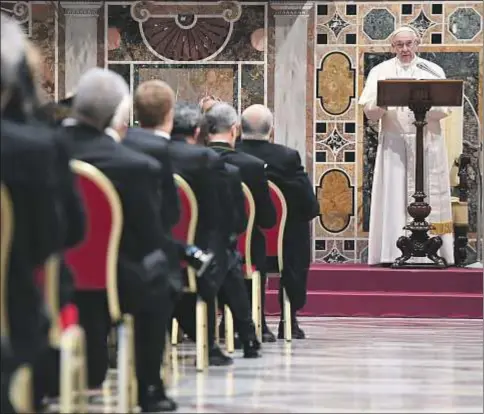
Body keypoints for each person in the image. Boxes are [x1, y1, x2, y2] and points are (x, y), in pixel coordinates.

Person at [61, 68, 178, 412]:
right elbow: (149, 237)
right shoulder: (135, 166)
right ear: (118, 115)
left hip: (43, 278)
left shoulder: (39, 152)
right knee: (159, 272)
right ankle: (149, 388)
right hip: (111, 282)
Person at [358, 25, 454, 266]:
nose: (404, 49)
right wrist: (384, 102)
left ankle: (436, 252)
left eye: (409, 43)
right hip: (394, 144)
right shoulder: (380, 71)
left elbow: (445, 108)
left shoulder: (432, 70)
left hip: (427, 142)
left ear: (417, 44)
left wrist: (422, 106)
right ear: (392, 47)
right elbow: (369, 111)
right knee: (394, 191)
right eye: (399, 44)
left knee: (430, 193)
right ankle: (392, 251)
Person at [237, 104, 320, 339]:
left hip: (238, 247)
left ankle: (242, 318)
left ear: (239, 130)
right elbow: (310, 206)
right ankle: (288, 318)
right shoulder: (287, 158)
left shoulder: (229, 156)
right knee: (297, 228)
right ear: (271, 131)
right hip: (280, 250)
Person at [204, 102, 277, 342]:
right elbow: (267, 219)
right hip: (240, 250)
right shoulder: (252, 167)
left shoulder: (191, 160)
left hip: (196, 249)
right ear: (234, 130)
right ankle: (252, 321)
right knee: (254, 239)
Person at [198, 103, 261, 357]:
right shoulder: (241, 168)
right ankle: (247, 334)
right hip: (218, 254)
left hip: (175, 250)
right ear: (235, 130)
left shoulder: (177, 161)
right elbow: (241, 222)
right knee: (227, 253)